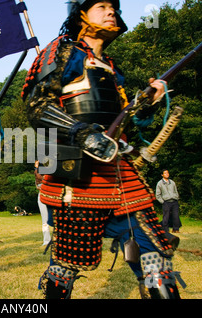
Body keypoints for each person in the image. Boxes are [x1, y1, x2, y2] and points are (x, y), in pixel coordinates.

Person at [22, 0, 183, 299]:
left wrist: (149, 103)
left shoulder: (111, 67)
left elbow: (126, 121)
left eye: (113, 6)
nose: (111, 11)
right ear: (81, 14)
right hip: (79, 177)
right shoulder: (62, 51)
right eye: (102, 5)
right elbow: (36, 105)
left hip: (121, 175)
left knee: (156, 258)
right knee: (67, 264)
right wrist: (80, 132)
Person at [35, 160, 51, 246]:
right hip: (42, 194)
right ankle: (47, 241)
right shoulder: (38, 171)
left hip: (50, 194)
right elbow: (37, 182)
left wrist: (36, 167)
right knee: (45, 221)